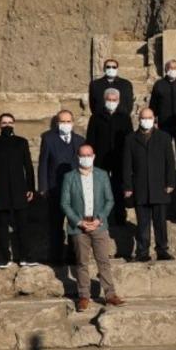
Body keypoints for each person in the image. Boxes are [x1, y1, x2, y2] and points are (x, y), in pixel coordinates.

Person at [61, 143, 124, 310]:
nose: (86, 158)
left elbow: (109, 200)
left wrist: (99, 219)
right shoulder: (69, 177)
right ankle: (83, 296)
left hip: (99, 225)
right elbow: (65, 203)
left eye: (89, 155)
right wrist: (79, 222)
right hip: (79, 226)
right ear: (78, 157)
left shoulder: (102, 175)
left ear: (94, 156)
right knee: (81, 262)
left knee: (103, 261)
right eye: (83, 155)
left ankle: (110, 294)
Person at [0, 112, 36, 267]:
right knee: (2, 226)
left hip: (20, 190)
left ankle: (25, 256)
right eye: (4, 123)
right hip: (0, 191)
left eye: (10, 122)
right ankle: (4, 257)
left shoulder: (22, 142)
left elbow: (28, 166)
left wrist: (31, 187)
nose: (7, 125)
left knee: (23, 225)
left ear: (14, 123)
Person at [123, 108, 176, 262]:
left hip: (159, 186)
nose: (146, 120)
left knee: (160, 222)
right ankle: (142, 251)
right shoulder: (130, 139)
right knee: (143, 223)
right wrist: (127, 187)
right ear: (138, 119)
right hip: (140, 187)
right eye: (143, 117)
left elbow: (170, 162)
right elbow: (127, 165)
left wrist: (170, 182)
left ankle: (162, 250)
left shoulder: (164, 137)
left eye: (149, 117)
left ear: (154, 119)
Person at [37, 109, 85, 265]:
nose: (65, 124)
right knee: (55, 225)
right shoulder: (49, 139)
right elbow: (43, 163)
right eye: (62, 121)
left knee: (74, 224)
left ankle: (72, 256)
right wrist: (43, 187)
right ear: (57, 123)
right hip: (55, 188)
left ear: (73, 122)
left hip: (75, 190)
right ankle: (56, 257)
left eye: (68, 121)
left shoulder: (79, 140)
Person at [85, 88, 133, 232]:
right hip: (101, 159)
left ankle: (120, 217)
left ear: (118, 101)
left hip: (119, 158)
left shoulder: (124, 117)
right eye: (109, 100)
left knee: (118, 188)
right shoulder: (96, 117)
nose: (111, 102)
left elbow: (129, 139)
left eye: (114, 100)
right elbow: (91, 139)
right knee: (100, 189)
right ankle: (101, 218)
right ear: (104, 100)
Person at [149, 59, 176, 190]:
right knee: (165, 154)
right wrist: (154, 122)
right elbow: (153, 106)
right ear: (165, 69)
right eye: (170, 68)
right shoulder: (159, 85)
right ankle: (167, 182)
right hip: (164, 125)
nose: (172, 70)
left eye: (175, 68)